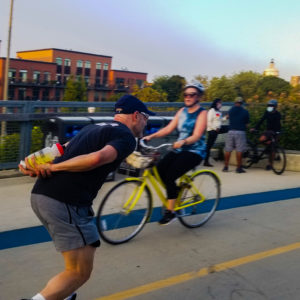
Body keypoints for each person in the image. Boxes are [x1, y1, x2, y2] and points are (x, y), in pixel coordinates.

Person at [18, 94, 154, 300]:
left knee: (84, 251)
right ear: (136, 115)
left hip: (43, 195)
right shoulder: (127, 137)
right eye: (146, 117)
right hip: (64, 200)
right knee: (78, 272)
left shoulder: (95, 127)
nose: (147, 123)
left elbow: (60, 149)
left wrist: (31, 162)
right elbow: (97, 158)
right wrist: (53, 167)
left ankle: (65, 294)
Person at [143, 81, 207, 225]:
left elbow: (197, 135)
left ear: (199, 97)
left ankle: (170, 212)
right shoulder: (181, 111)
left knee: (170, 175)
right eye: (186, 94)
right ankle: (174, 193)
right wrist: (151, 136)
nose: (188, 97)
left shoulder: (202, 113)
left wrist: (184, 142)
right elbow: (169, 129)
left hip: (195, 150)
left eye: (192, 94)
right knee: (158, 171)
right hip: (179, 148)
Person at [251, 99, 281, 170]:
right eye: (269, 105)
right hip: (268, 131)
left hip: (275, 132)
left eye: (271, 106)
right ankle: (268, 148)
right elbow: (261, 120)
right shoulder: (267, 113)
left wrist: (278, 132)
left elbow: (278, 125)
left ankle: (270, 165)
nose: (269, 107)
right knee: (262, 139)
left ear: (275, 107)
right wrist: (255, 128)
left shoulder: (278, 114)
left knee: (273, 149)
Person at [223, 96, 249, 173]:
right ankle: (238, 168)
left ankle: (225, 167)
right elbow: (247, 124)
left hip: (231, 131)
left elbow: (226, 117)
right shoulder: (245, 111)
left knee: (228, 149)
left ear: (235, 103)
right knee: (239, 150)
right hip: (240, 132)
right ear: (242, 103)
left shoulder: (231, 110)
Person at [204, 98, 227, 167]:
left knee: (228, 128)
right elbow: (208, 122)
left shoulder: (218, 112)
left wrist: (226, 118)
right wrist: (214, 129)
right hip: (212, 131)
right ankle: (206, 161)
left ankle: (206, 161)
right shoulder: (212, 111)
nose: (221, 104)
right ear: (216, 103)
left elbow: (219, 120)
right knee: (209, 146)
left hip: (217, 130)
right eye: (220, 103)